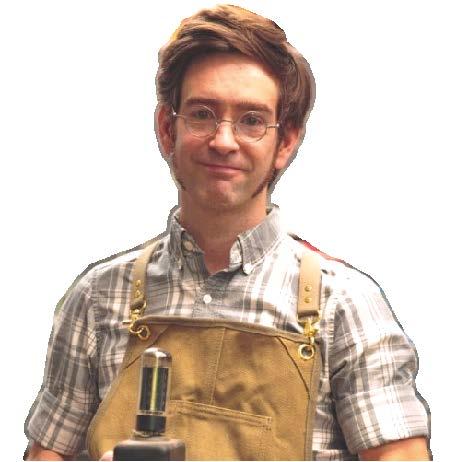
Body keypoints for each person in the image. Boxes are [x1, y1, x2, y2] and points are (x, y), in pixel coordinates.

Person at [24, 4, 430, 460]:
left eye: (252, 120)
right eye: (202, 114)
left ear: (286, 142)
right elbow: (47, 454)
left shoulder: (346, 307)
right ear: (166, 129)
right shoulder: (97, 298)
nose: (223, 140)